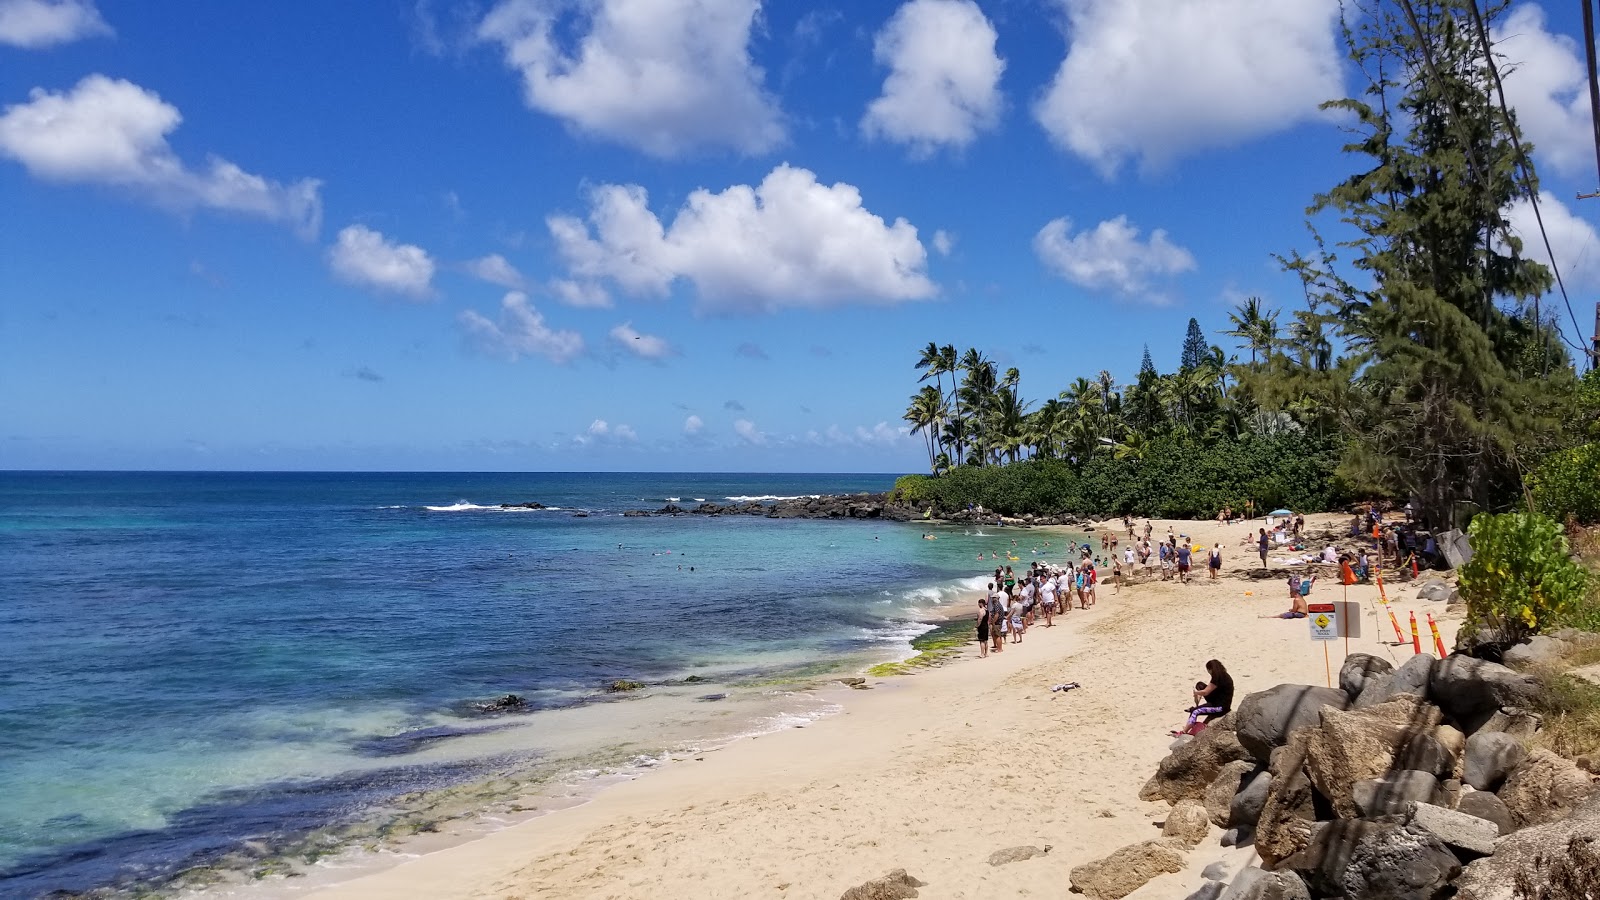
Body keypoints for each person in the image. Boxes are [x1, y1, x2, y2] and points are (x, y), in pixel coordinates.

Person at [1175, 660, 1236, 734]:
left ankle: (1184, 732)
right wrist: (1198, 697)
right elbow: (1207, 691)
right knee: (1200, 685)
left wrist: (1196, 693)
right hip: (1219, 701)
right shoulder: (1223, 675)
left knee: (1195, 711)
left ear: (1210, 669)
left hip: (1220, 708)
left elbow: (1206, 692)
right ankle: (1195, 709)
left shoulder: (1217, 677)